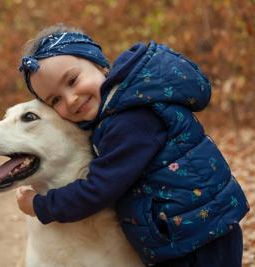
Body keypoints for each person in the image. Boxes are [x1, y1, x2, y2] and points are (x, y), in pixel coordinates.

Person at [15, 24, 249, 267]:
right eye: (55, 100)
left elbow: (99, 189)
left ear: (100, 65)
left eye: (72, 80)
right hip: (192, 228)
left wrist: (40, 205)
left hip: (194, 236)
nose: (71, 99)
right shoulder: (125, 106)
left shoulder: (129, 120)